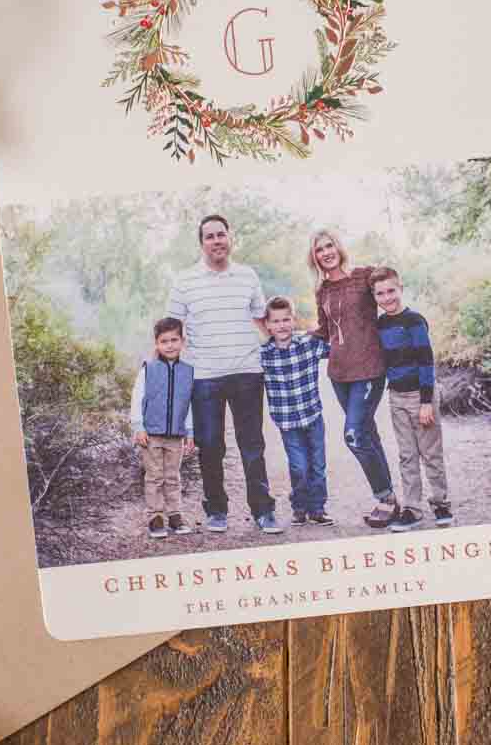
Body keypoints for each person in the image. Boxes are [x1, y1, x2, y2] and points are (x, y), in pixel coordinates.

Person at [166, 214, 282, 534]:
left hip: (247, 372)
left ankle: (263, 511)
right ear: (201, 243)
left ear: (230, 238)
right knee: (211, 446)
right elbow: (172, 330)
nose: (216, 241)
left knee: (252, 444)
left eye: (221, 234)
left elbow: (262, 320)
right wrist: (159, 369)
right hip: (205, 377)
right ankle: (216, 509)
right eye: (209, 236)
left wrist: (287, 344)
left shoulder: (247, 276)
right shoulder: (184, 281)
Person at [309, 228, 397, 528]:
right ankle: (389, 501)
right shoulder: (322, 291)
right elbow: (324, 330)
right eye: (319, 249)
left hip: (370, 368)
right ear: (315, 257)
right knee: (367, 433)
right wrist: (290, 338)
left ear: (339, 247)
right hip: (339, 373)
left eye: (329, 245)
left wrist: (402, 324)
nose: (325, 252)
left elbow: (389, 292)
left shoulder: (364, 276)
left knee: (354, 435)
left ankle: (384, 496)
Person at [371, 266, 452, 532]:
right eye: (380, 293)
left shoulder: (414, 321)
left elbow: (426, 361)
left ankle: (441, 503)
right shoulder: (380, 325)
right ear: (375, 297)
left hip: (420, 396)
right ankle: (412, 509)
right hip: (396, 397)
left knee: (430, 453)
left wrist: (427, 401)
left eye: (391, 291)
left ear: (401, 288)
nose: (387, 298)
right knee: (407, 455)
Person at [259, 297, 332, 527]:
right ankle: (299, 506)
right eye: (276, 321)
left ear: (294, 320)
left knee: (318, 464)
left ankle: (317, 508)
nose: (281, 325)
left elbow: (338, 350)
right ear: (267, 325)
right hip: (288, 422)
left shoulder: (308, 344)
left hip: (312, 416)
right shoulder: (264, 354)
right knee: (299, 465)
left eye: (286, 319)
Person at [129, 316, 196, 539]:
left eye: (174, 340)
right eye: (164, 341)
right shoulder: (148, 368)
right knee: (154, 476)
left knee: (173, 476)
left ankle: (175, 515)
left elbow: (189, 405)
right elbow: (137, 398)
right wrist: (138, 426)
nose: (170, 345)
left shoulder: (188, 371)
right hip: (151, 434)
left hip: (176, 435)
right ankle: (155, 517)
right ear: (157, 344)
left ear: (182, 341)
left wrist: (190, 432)